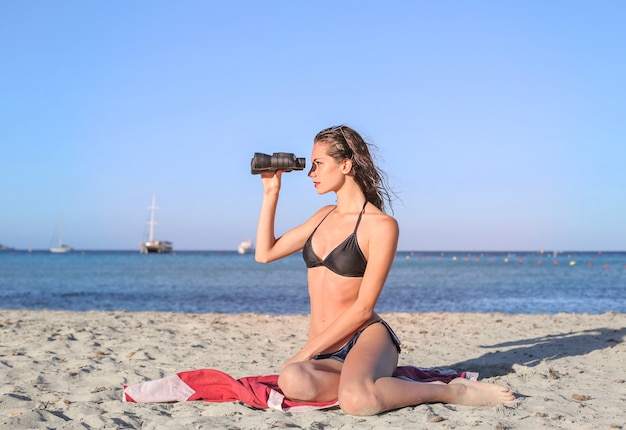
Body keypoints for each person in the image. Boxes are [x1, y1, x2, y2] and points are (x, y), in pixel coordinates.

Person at [254, 125, 515, 416]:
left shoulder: (381, 226)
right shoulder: (322, 216)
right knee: (291, 380)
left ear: (345, 165)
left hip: (364, 338)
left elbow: (364, 308)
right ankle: (367, 383)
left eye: (318, 164)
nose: (310, 173)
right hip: (325, 348)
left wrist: (304, 353)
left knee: (356, 402)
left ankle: (451, 390)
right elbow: (265, 254)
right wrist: (270, 193)